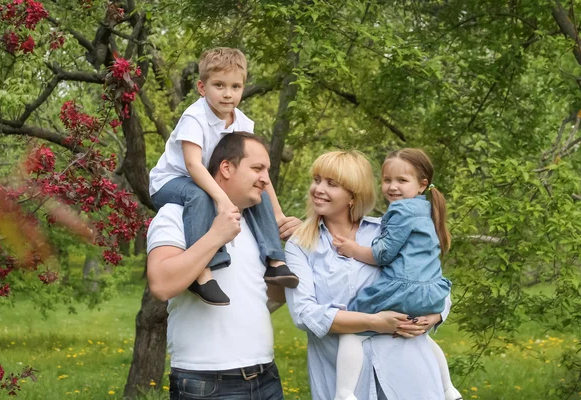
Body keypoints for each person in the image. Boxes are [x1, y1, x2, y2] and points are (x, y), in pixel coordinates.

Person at [285, 150, 455, 400]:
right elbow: (304, 314)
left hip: (408, 375)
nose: (318, 189)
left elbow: (430, 279)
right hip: (348, 381)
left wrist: (436, 315)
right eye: (316, 179)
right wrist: (373, 322)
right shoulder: (301, 244)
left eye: (331, 183)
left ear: (353, 195)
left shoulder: (386, 232)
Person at [147, 132, 293, 400]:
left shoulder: (258, 224)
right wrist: (216, 236)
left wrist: (299, 249)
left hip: (266, 377)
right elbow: (161, 284)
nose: (266, 179)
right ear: (226, 167)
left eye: (267, 170)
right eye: (257, 168)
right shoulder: (175, 213)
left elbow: (274, 296)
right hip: (206, 383)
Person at [149, 47, 298, 306]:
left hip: (202, 181)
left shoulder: (243, 123)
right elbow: (193, 165)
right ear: (201, 87)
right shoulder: (194, 118)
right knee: (200, 194)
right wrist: (221, 199)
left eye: (235, 86)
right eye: (219, 85)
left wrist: (278, 214)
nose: (228, 94)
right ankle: (202, 273)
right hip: (170, 181)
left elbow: (261, 172)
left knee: (256, 190)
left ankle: (276, 261)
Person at [331, 148, 462, 400]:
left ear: (422, 185)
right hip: (431, 293)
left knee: (352, 329)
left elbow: (383, 254)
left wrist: (352, 249)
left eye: (402, 180)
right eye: (387, 180)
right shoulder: (426, 211)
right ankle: (448, 388)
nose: (393, 187)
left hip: (403, 289)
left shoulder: (400, 211)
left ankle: (344, 393)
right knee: (420, 337)